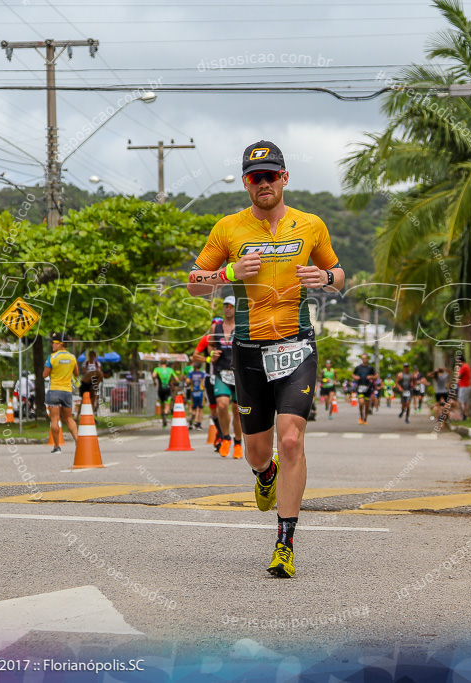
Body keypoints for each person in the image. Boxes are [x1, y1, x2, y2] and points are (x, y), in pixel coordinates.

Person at [187, 139, 344, 578]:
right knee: (257, 452)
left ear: (284, 178)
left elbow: (338, 272)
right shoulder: (228, 228)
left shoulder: (310, 224)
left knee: (291, 439)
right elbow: (194, 282)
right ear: (245, 183)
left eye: (271, 175)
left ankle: (285, 542)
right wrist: (226, 274)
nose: (264, 184)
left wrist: (326, 276)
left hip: (297, 345)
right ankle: (265, 474)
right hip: (250, 351)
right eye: (256, 178)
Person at [208, 295, 245, 458]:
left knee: (237, 411)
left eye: (231, 306)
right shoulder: (215, 328)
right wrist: (212, 353)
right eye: (226, 305)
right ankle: (225, 438)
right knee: (222, 405)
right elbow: (210, 345)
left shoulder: (243, 326)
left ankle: (238, 442)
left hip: (239, 374)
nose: (228, 308)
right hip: (221, 372)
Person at [43, 331, 79, 453]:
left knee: (54, 419)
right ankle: (79, 443)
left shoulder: (52, 357)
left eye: (53, 343)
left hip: (54, 391)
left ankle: (57, 446)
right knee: (69, 418)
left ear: (60, 344)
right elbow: (77, 373)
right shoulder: (72, 357)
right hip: (67, 391)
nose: (52, 345)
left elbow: (44, 375)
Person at [151, 357, 179, 428]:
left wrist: (154, 381)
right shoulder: (170, 370)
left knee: (161, 406)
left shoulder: (157, 369)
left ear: (160, 363)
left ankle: (163, 419)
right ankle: (166, 415)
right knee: (167, 405)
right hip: (167, 389)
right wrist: (174, 383)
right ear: (166, 364)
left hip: (160, 389)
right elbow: (176, 379)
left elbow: (153, 375)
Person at [351, 353, 377, 425]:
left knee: (367, 404)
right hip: (360, 387)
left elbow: (376, 376)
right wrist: (355, 377)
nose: (364, 359)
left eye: (365, 358)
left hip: (368, 387)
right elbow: (353, 374)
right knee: (361, 402)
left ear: (367, 359)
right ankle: (361, 417)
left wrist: (371, 377)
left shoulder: (370, 368)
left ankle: (365, 418)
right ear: (361, 359)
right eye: (363, 358)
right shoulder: (358, 367)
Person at [79, 350, 104, 415]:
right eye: (90, 356)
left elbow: (98, 372)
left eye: (92, 356)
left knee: (94, 399)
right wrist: (92, 374)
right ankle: (78, 414)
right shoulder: (85, 363)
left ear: (94, 356)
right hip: (86, 382)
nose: (91, 357)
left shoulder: (97, 363)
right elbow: (84, 372)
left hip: (94, 382)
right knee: (83, 399)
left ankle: (92, 414)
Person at [187, 362, 207, 430]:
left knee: (193, 408)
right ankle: (199, 424)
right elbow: (204, 383)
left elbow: (187, 381)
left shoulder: (191, 373)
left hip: (193, 392)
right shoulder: (202, 374)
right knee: (201, 409)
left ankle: (191, 421)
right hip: (201, 392)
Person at [457, 353, 471, 420]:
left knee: (461, 401)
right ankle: (465, 415)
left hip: (464, 386)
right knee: (465, 402)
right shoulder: (466, 366)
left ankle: (463, 414)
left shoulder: (464, 367)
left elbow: (459, 376)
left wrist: (458, 369)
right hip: (466, 386)